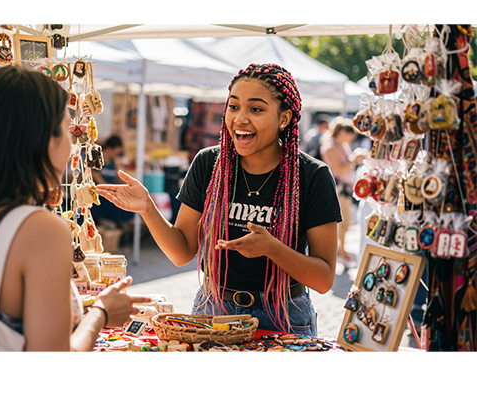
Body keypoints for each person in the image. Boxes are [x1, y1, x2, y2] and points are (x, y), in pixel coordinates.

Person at [0, 66, 151, 352]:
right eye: (66, 129)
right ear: (41, 140)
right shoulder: (39, 230)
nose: (72, 145)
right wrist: (100, 314)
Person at [96, 63, 342, 336]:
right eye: (234, 106)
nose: (240, 119)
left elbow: (323, 280)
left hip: (285, 316)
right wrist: (147, 208)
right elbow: (181, 253)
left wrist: (273, 248)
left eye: (256, 109)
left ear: (284, 118)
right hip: (213, 310)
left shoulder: (312, 175)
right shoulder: (208, 163)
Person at [320, 116, 367, 268]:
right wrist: (354, 159)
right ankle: (341, 253)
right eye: (351, 133)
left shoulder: (341, 145)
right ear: (341, 131)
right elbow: (340, 169)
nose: (353, 137)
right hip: (338, 189)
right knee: (342, 222)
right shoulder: (331, 147)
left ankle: (342, 252)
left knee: (345, 222)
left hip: (344, 189)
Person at [91, 135, 133, 227]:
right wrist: (113, 190)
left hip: (110, 194)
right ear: (109, 148)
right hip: (100, 196)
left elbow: (118, 178)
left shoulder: (114, 161)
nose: (116, 155)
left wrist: (128, 185)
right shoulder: (97, 158)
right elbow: (98, 179)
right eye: (116, 152)